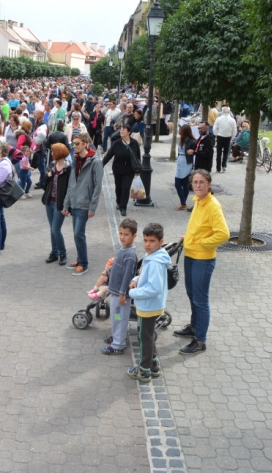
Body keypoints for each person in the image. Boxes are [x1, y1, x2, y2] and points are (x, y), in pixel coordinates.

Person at [173, 170, 230, 354]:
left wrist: (201, 243)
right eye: (195, 182)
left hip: (202, 260)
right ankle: (194, 327)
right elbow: (199, 228)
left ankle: (200, 340)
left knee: (200, 299)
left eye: (202, 182)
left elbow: (223, 234)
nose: (198, 185)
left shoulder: (213, 205)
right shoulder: (198, 201)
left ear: (209, 184)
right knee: (192, 294)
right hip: (190, 255)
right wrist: (188, 237)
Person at [126, 223, 171, 383]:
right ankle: (153, 365)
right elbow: (145, 276)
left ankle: (144, 370)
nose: (147, 244)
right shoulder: (152, 257)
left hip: (149, 305)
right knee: (147, 335)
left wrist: (132, 293)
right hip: (151, 305)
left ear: (161, 241)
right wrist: (136, 279)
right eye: (145, 240)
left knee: (144, 338)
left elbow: (154, 288)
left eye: (151, 241)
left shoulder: (155, 262)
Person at [62, 133, 103, 276]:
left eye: (77, 144)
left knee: (79, 234)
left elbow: (98, 187)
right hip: (74, 203)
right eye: (73, 144)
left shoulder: (95, 162)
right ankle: (79, 259)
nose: (74, 146)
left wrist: (92, 207)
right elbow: (71, 184)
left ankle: (84, 264)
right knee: (76, 234)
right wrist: (66, 204)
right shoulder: (75, 159)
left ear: (85, 144)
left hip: (84, 204)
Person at [101, 218, 138, 355]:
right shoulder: (124, 249)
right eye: (121, 233)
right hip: (116, 292)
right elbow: (117, 267)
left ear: (134, 236)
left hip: (121, 295)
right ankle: (117, 337)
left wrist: (123, 293)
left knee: (120, 318)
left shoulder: (129, 254)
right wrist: (108, 271)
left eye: (126, 234)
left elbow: (128, 276)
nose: (122, 237)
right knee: (116, 318)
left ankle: (118, 344)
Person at [41, 143, 71, 266]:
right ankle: (54, 252)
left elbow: (70, 188)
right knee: (52, 228)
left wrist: (67, 206)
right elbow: (44, 183)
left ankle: (62, 253)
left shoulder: (68, 168)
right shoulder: (52, 166)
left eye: (54, 152)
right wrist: (47, 176)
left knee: (55, 229)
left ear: (59, 153)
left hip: (60, 203)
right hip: (49, 201)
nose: (52, 154)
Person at [102, 125, 141, 217]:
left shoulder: (134, 143)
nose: (121, 131)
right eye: (121, 130)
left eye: (124, 130)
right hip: (118, 169)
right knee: (118, 187)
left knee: (126, 188)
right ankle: (118, 202)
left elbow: (137, 157)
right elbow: (109, 155)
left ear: (129, 132)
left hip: (129, 170)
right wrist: (101, 164)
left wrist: (138, 169)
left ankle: (123, 207)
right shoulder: (116, 143)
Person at [175, 125, 197, 211]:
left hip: (186, 162)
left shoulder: (191, 141)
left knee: (184, 182)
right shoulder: (181, 140)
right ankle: (183, 202)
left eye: (181, 131)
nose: (180, 132)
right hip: (180, 161)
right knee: (178, 183)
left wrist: (192, 152)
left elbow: (195, 152)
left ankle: (183, 203)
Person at [213, 106, 236, 173]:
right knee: (226, 152)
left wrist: (216, 134)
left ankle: (218, 168)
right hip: (228, 137)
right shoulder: (232, 120)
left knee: (219, 153)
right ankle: (224, 166)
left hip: (220, 136)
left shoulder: (219, 119)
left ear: (222, 111)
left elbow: (215, 128)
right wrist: (232, 136)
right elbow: (234, 130)